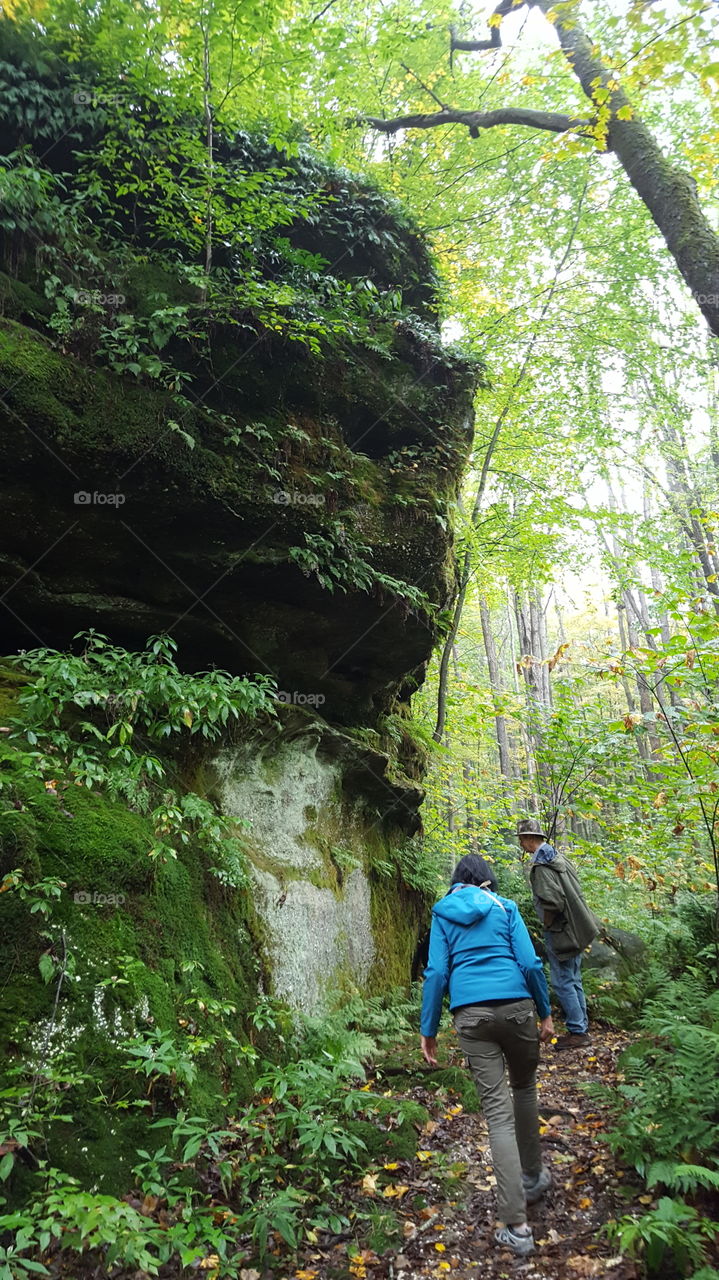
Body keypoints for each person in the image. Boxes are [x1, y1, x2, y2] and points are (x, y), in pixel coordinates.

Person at [420, 853, 554, 1258]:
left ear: (456, 882)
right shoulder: (505, 906)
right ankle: (532, 1178)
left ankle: (517, 1225)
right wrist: (545, 1011)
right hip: (517, 1009)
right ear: (487, 882)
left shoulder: (443, 913)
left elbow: (437, 973)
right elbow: (530, 963)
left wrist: (428, 1030)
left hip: (471, 1015)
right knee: (525, 1089)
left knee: (498, 1113)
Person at [516, 818, 600, 1050]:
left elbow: (552, 902)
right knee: (573, 979)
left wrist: (546, 924)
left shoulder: (542, 867)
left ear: (530, 839)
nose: (521, 844)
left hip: (562, 932)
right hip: (579, 927)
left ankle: (577, 1032)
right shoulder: (559, 858)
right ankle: (580, 1028)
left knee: (562, 981)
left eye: (522, 839)